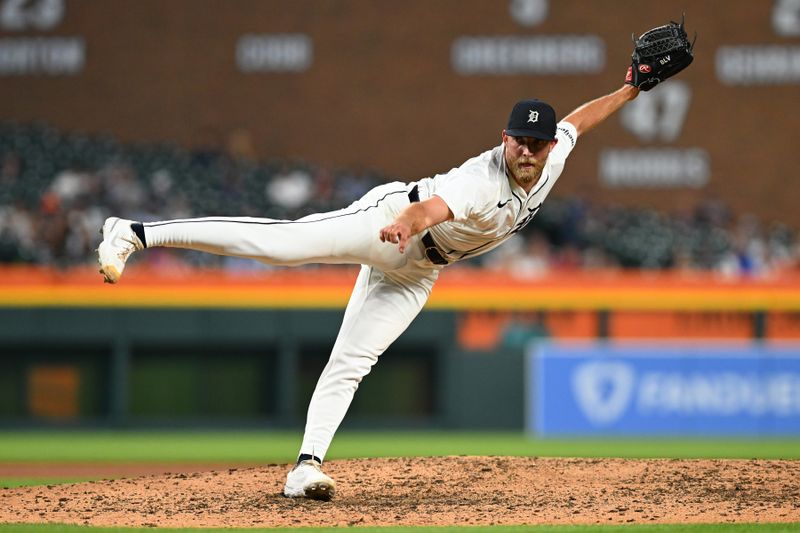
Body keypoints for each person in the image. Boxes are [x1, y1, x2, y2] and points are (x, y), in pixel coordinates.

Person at [97, 81, 641, 500]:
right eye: (519, 141)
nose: (528, 151)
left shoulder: (553, 157)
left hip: (420, 272)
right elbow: (432, 209)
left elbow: (577, 122)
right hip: (389, 225)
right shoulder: (482, 179)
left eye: (537, 143)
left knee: (353, 360)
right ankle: (137, 232)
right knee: (283, 247)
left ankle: (305, 467)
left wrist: (630, 89)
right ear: (505, 139)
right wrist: (406, 223)